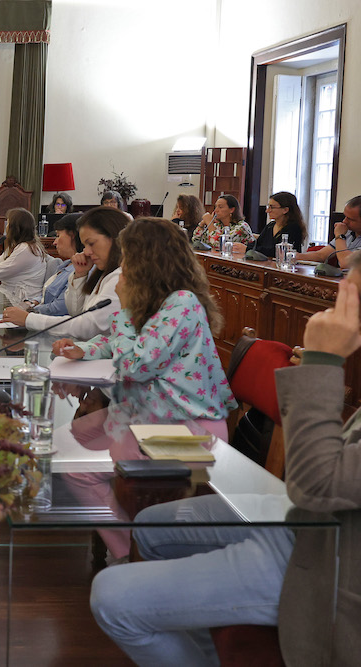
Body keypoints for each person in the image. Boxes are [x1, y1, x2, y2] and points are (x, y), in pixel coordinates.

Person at [89, 255, 361, 666]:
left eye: (351, 294)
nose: (338, 305)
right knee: (150, 525)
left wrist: (323, 362)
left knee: (111, 596)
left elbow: (317, 482)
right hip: (299, 519)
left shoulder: (179, 304)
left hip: (325, 558)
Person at [52, 217, 236, 427]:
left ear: (147, 262)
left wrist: (126, 308)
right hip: (155, 416)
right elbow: (122, 343)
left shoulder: (182, 303)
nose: (122, 265)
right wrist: (84, 350)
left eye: (127, 258)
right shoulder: (155, 301)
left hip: (188, 424)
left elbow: (134, 367)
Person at [2, 206, 128, 339]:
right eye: (85, 245)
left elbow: (87, 327)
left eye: (91, 243)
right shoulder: (102, 273)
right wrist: (80, 276)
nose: (86, 252)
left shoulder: (119, 278)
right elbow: (76, 311)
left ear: (115, 238)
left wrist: (29, 319)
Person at [2, 212, 84, 322]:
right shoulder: (65, 265)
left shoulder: (81, 270)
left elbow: (60, 307)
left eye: (58, 236)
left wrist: (30, 311)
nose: (55, 242)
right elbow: (48, 295)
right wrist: (32, 302)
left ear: (73, 235)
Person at [295, 195, 361, 264]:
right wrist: (296, 256)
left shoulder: (342, 234)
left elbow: (345, 262)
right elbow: (321, 255)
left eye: (350, 219)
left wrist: (340, 236)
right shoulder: (348, 232)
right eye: (345, 216)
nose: (344, 221)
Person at [250, 191, 307, 257]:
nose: (267, 211)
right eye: (268, 206)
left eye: (272, 207)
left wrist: (248, 249)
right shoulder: (270, 226)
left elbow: (277, 252)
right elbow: (257, 244)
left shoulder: (293, 228)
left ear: (285, 210)